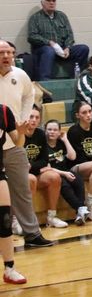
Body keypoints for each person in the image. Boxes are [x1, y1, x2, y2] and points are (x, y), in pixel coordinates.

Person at [0, 40, 52, 248]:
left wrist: (21, 120)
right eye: (2, 52)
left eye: (9, 52)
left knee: (22, 190)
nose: (6, 56)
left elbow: (29, 95)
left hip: (13, 143)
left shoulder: (20, 76)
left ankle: (31, 234)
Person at [27, 0, 90, 81]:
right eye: (49, 0)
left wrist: (67, 47)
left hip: (62, 49)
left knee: (83, 48)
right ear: (42, 3)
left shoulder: (62, 16)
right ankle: (45, 82)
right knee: (49, 51)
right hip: (43, 50)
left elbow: (70, 35)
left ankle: (78, 79)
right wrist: (50, 43)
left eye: (53, 0)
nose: (51, 3)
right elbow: (32, 36)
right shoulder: (35, 18)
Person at [22, 107, 66, 228]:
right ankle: (27, 219)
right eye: (31, 117)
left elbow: (44, 160)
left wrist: (31, 165)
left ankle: (51, 216)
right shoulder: (18, 134)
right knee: (31, 179)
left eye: (37, 117)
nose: (34, 120)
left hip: (34, 171)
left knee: (54, 177)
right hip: (20, 174)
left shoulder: (41, 134)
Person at [43, 119, 90, 226]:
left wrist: (65, 140)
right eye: (49, 129)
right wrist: (64, 174)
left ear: (59, 132)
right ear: (45, 131)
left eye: (55, 130)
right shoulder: (43, 145)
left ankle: (80, 213)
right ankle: (80, 208)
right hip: (52, 173)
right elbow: (47, 167)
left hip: (64, 170)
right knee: (63, 183)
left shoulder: (61, 143)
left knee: (78, 179)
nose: (52, 132)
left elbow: (72, 157)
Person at [0, 103, 27, 284]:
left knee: (4, 220)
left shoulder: (3, 111)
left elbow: (17, 142)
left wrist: (21, 131)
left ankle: (9, 269)